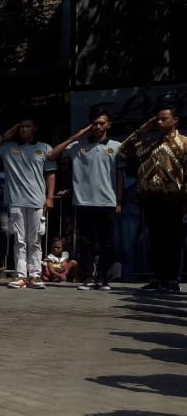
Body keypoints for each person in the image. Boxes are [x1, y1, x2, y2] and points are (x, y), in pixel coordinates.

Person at [47, 107, 125, 291]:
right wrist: (76, 136)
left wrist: (119, 201)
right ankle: (88, 277)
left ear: (108, 125)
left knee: (106, 242)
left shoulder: (116, 146)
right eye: (95, 123)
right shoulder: (77, 146)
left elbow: (120, 175)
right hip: (83, 202)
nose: (98, 127)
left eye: (101, 123)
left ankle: (103, 278)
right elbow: (52, 155)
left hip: (107, 201)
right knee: (85, 242)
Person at [119, 105, 187, 292]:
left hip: (174, 198)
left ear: (175, 120)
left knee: (172, 240)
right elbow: (124, 150)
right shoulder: (149, 144)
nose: (159, 122)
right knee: (155, 239)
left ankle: (172, 279)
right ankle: (158, 278)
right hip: (150, 198)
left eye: (163, 118)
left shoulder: (184, 143)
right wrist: (144, 128)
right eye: (157, 118)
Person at [0, 118, 56, 290]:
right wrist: (5, 136)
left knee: (35, 240)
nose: (24, 130)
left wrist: (49, 197)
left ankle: (34, 276)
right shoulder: (8, 148)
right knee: (19, 240)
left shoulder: (44, 148)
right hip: (15, 200)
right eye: (21, 127)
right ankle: (21, 276)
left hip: (36, 201)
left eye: (27, 126)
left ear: (34, 128)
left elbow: (50, 174)